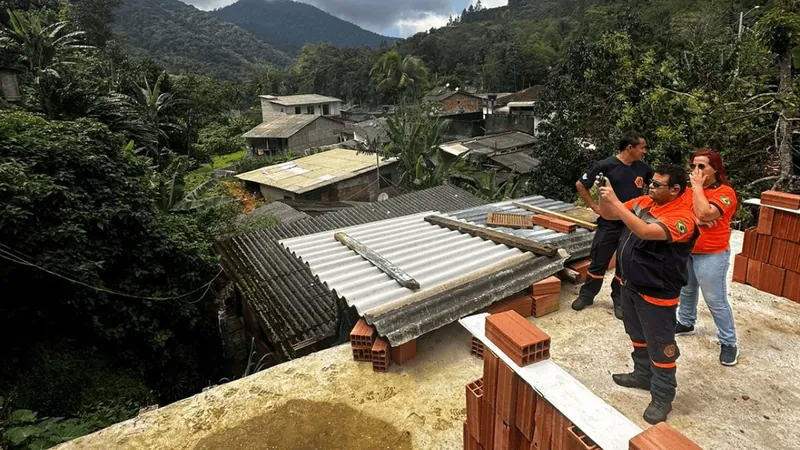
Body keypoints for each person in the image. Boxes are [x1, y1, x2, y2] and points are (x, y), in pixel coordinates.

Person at [597, 164, 699, 424]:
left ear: (675, 190)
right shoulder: (646, 203)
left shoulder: (683, 218)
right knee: (637, 336)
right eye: (650, 182)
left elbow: (644, 231)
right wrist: (604, 193)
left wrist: (617, 204)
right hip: (631, 285)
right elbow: (609, 213)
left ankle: (663, 397)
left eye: (656, 184)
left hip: (657, 294)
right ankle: (642, 375)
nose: (649, 187)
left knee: (660, 346)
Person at [573, 133, 654, 318]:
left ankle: (619, 299)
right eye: (642, 147)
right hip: (609, 224)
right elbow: (580, 184)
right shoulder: (605, 165)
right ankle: (587, 295)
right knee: (599, 260)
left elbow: (657, 187)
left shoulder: (643, 168)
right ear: (630, 148)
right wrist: (593, 206)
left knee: (624, 264)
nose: (644, 151)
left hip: (631, 224)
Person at [677, 149, 740, 366]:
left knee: (715, 299)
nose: (696, 171)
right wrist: (698, 221)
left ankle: (729, 342)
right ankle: (685, 322)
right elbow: (680, 214)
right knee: (686, 288)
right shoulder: (688, 191)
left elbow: (704, 213)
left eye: (702, 166)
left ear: (715, 169)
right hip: (688, 250)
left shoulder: (725, 193)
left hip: (712, 254)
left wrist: (697, 191)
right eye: (694, 166)